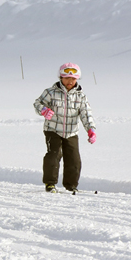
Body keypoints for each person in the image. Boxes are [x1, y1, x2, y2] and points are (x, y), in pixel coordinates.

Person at [34, 62, 96, 193]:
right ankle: (50, 184)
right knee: (54, 155)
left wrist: (91, 129)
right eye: (67, 78)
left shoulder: (80, 96)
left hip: (71, 132)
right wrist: (44, 110)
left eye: (73, 79)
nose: (70, 81)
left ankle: (71, 185)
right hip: (53, 130)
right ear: (61, 78)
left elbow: (86, 113)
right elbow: (37, 103)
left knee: (74, 159)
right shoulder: (50, 92)